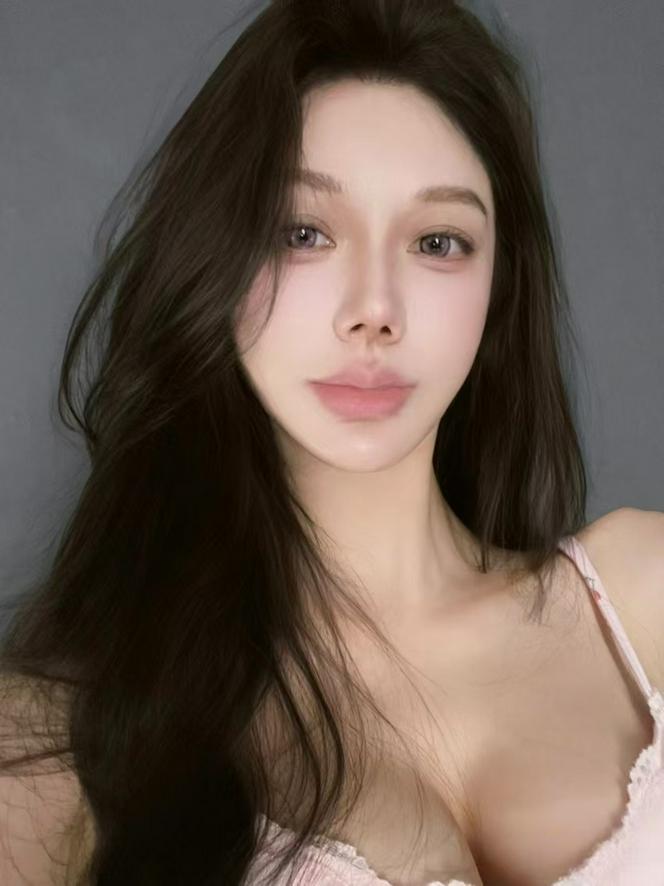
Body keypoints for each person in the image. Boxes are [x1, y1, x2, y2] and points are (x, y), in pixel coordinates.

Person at [1, 1, 663, 884]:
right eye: (303, 232)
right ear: (216, 257)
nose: (374, 310)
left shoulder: (645, 602)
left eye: (438, 241)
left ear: (499, 285)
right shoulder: (60, 739)